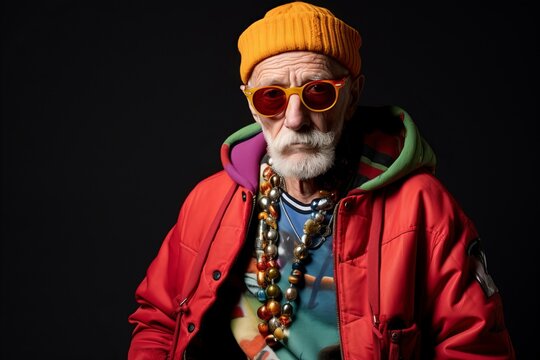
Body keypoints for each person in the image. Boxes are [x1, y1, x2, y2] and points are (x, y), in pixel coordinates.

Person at [127, 2, 516, 359]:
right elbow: (160, 320)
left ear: (352, 96)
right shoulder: (209, 200)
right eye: (271, 97)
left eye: (317, 92)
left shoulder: (423, 209)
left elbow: (476, 348)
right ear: (251, 104)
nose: (295, 118)